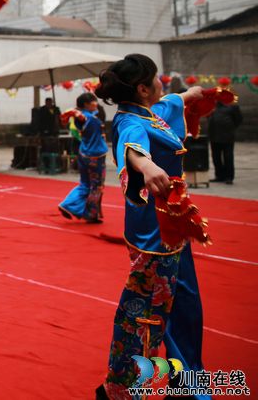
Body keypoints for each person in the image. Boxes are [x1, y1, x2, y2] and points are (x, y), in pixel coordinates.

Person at [93, 54, 207, 400]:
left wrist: (193, 95)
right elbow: (132, 144)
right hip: (152, 233)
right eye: (156, 79)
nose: (163, 84)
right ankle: (121, 387)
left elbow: (172, 102)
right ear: (143, 88)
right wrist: (145, 165)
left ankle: (188, 380)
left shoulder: (150, 111)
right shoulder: (130, 121)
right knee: (149, 312)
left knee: (185, 304)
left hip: (174, 224)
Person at [58, 92, 108, 223]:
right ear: (86, 104)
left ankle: (67, 204)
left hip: (84, 153)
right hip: (96, 155)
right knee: (97, 186)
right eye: (94, 101)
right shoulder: (87, 118)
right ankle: (91, 214)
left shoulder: (84, 117)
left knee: (85, 184)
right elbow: (84, 117)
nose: (96, 103)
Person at [208, 100, 242, 184]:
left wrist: (231, 128)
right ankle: (219, 175)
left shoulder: (232, 106)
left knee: (228, 157)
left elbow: (238, 119)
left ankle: (229, 177)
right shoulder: (212, 106)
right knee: (216, 157)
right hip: (214, 135)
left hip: (227, 136)